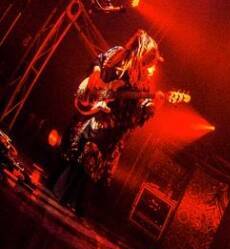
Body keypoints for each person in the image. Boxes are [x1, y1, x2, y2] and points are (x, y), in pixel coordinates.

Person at [54, 29, 162, 213]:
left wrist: (151, 106)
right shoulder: (118, 53)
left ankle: (73, 201)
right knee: (75, 150)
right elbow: (98, 61)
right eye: (149, 58)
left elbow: (138, 111)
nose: (150, 63)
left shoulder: (144, 81)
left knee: (90, 162)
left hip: (111, 127)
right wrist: (96, 74)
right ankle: (61, 193)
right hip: (92, 109)